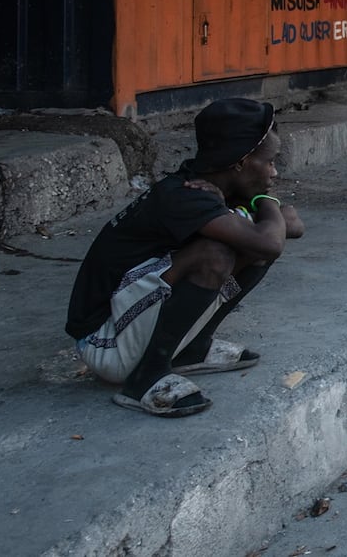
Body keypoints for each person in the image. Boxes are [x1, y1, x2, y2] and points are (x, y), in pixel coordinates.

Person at [65, 98, 305, 417]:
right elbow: (272, 240)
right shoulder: (185, 196)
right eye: (270, 162)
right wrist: (266, 200)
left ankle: (193, 348)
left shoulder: (217, 188)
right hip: (104, 342)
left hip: (129, 326)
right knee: (215, 255)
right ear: (241, 162)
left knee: (251, 247)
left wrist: (262, 211)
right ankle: (144, 378)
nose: (274, 172)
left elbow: (293, 226)